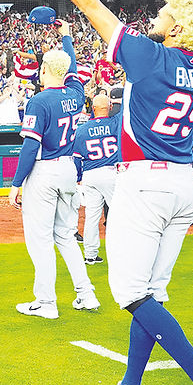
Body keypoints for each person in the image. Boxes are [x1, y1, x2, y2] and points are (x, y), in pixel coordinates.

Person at [27, 0, 193, 385]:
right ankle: (131, 384)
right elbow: (192, 25)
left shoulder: (147, 56)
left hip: (144, 185)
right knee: (152, 293)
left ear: (178, 25)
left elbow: (86, 0)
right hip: (185, 182)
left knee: (130, 294)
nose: (156, 15)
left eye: (166, 12)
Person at [9, 20, 99, 319]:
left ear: (44, 69)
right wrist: (68, 37)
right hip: (68, 170)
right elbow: (70, 66)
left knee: (41, 239)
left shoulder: (39, 100)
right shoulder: (75, 91)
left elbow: (31, 147)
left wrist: (16, 182)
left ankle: (46, 302)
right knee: (65, 234)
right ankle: (86, 295)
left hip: (45, 171)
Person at [72, 93, 120, 265]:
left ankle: (90, 255)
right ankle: (120, 252)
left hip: (90, 175)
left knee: (92, 217)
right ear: (111, 108)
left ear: (92, 109)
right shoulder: (116, 123)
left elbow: (76, 158)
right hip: (110, 173)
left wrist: (78, 177)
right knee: (119, 214)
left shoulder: (82, 130)